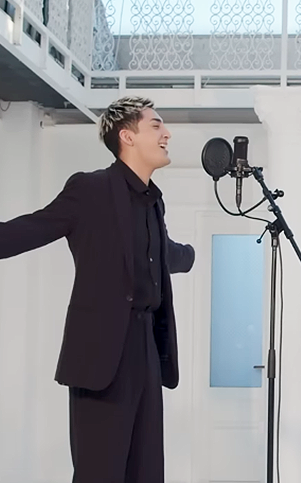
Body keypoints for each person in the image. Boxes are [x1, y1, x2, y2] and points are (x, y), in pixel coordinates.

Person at [0, 96, 195, 483]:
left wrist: (189, 256)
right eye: (156, 125)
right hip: (102, 357)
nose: (167, 133)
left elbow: (157, 254)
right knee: (99, 473)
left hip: (146, 350)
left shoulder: (153, 202)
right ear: (127, 136)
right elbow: (31, 229)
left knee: (146, 472)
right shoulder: (90, 189)